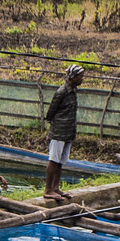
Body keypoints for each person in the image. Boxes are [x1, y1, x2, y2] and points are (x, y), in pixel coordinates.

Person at [42, 64, 83, 201]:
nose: (82, 79)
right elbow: (51, 112)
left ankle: (56, 188)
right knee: (53, 160)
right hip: (59, 131)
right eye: (80, 76)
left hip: (68, 132)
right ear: (73, 77)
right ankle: (48, 190)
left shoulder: (73, 91)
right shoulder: (62, 92)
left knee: (60, 161)